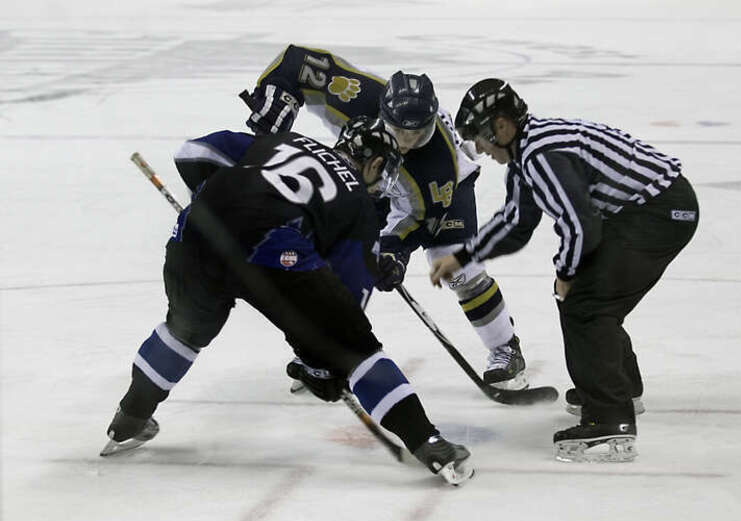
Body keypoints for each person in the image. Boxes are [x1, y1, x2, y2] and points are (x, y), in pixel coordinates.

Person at [101, 117, 474, 485]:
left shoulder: (283, 141)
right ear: (374, 164)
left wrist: (211, 203)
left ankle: (130, 417)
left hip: (195, 234)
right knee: (356, 348)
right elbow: (346, 302)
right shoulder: (359, 205)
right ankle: (429, 443)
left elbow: (193, 153)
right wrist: (322, 365)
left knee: (183, 331)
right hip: (273, 247)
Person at [430, 79, 699, 462]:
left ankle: (610, 420)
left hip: (661, 212)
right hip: (651, 210)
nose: (481, 150)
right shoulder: (528, 153)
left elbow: (580, 225)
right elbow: (516, 223)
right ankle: (622, 389)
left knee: (586, 303)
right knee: (590, 298)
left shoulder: (540, 155)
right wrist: (462, 256)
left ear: (502, 126)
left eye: (480, 138)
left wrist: (566, 274)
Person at [236, 44, 534, 390]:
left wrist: (394, 252)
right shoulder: (355, 94)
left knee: (456, 268)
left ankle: (505, 348)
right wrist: (278, 96)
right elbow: (295, 61)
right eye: (400, 131)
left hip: (444, 194)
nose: (407, 142)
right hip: (372, 175)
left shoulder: (437, 167)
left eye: (417, 134)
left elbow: (418, 219)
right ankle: (323, 350)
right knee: (340, 258)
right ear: (382, 112)